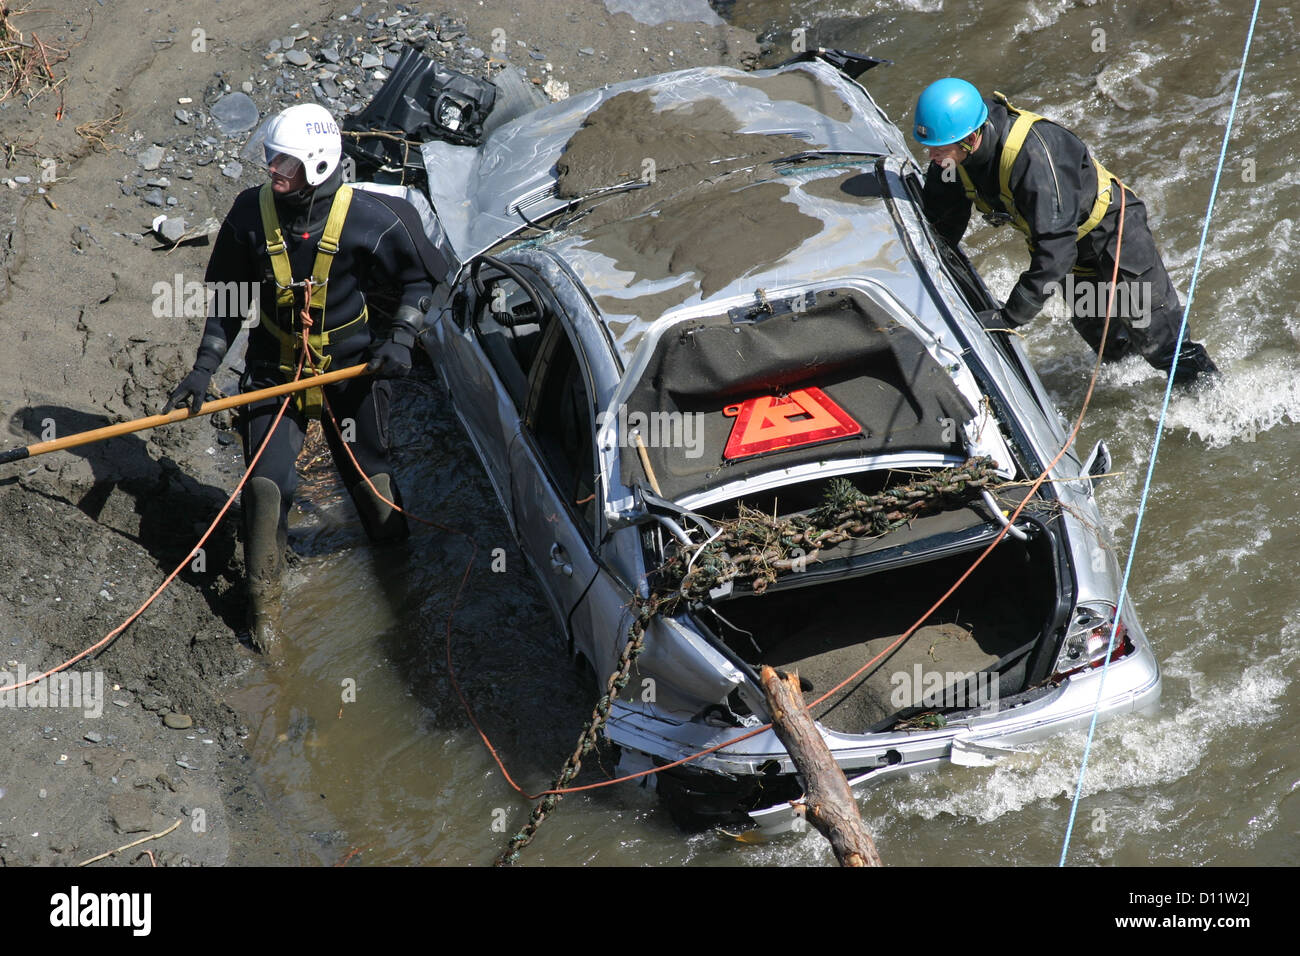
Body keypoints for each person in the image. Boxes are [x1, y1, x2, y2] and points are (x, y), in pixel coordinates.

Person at [164, 102, 435, 653]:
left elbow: (424, 278)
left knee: (371, 483)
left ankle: (403, 591)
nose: (271, 171)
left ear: (316, 163)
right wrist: (203, 369)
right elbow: (227, 303)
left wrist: (401, 339)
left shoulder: (373, 218)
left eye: (282, 163)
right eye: (268, 159)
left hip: (351, 372)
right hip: (272, 371)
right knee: (267, 489)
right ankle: (265, 616)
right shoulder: (247, 215)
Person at [912, 77, 1218, 386]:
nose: (932, 157)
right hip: (1071, 247)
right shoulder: (950, 159)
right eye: (929, 149)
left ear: (971, 137)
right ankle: (1137, 394)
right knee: (1108, 344)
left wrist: (1009, 317)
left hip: (1114, 233)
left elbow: (1055, 253)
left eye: (939, 149)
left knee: (1160, 341)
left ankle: (1212, 399)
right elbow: (944, 220)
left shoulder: (1033, 159)